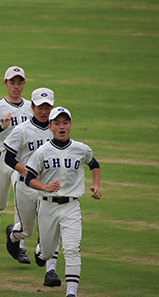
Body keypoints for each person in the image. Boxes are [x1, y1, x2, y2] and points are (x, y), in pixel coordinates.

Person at [25, 107, 102, 297]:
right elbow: (29, 179)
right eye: (57, 123)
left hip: (71, 206)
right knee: (48, 251)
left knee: (72, 249)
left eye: (65, 123)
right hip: (47, 205)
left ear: (70, 125)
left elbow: (94, 164)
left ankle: (71, 292)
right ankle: (41, 250)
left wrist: (96, 185)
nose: (62, 127)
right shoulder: (42, 151)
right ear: (49, 126)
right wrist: (45, 187)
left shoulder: (81, 148)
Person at [3, 88, 60, 282]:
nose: (44, 111)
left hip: (49, 188)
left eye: (47, 107)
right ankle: (13, 235)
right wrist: (29, 172)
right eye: (40, 107)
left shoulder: (57, 129)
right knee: (27, 230)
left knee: (52, 226)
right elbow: (9, 158)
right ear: (32, 107)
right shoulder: (22, 130)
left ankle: (50, 271)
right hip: (26, 186)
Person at [0, 66, 32, 244]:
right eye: (12, 82)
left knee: (21, 199)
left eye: (19, 82)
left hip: (21, 160)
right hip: (1, 158)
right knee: (1, 203)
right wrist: (1, 127)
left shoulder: (30, 107)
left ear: (24, 84)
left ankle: (18, 244)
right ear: (5, 83)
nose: (16, 86)